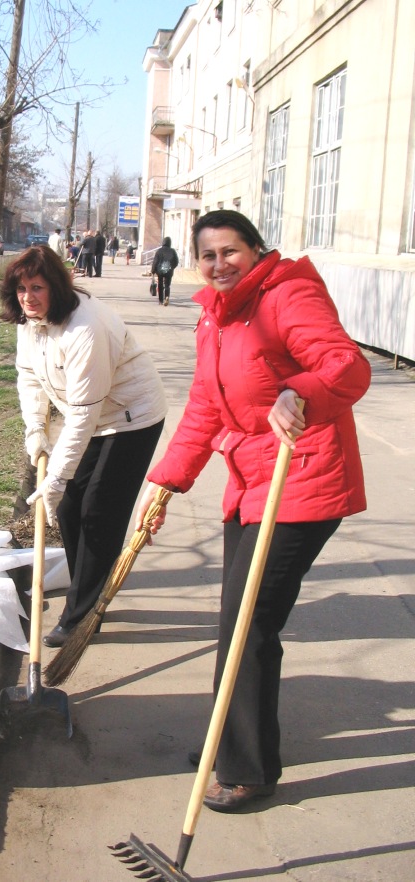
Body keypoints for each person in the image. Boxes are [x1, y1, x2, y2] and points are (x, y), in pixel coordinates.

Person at [135, 209, 370, 812]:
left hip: (303, 475)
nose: (219, 264)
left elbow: (346, 365)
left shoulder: (285, 296)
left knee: (251, 620)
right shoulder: (215, 318)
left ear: (256, 249)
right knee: (234, 615)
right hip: (250, 481)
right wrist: (166, 481)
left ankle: (249, 768)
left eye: (230, 252)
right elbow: (204, 409)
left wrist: (301, 391)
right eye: (208, 255)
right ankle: (228, 740)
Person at [0, 245, 168, 647]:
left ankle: (82, 614)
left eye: (37, 287)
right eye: (21, 289)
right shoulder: (30, 321)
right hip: (92, 417)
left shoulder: (85, 328)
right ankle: (88, 587)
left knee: (97, 511)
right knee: (72, 507)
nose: (29, 297)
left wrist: (55, 478)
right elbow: (28, 375)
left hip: (131, 419)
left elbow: (82, 417)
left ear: (56, 286)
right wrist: (35, 429)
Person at [151, 236, 180, 305]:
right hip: (169, 270)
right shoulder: (172, 251)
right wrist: (172, 267)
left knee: (160, 284)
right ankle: (166, 297)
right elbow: (176, 261)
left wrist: (153, 270)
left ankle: (161, 300)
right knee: (167, 285)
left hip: (160, 271)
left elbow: (155, 261)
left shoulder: (159, 251)